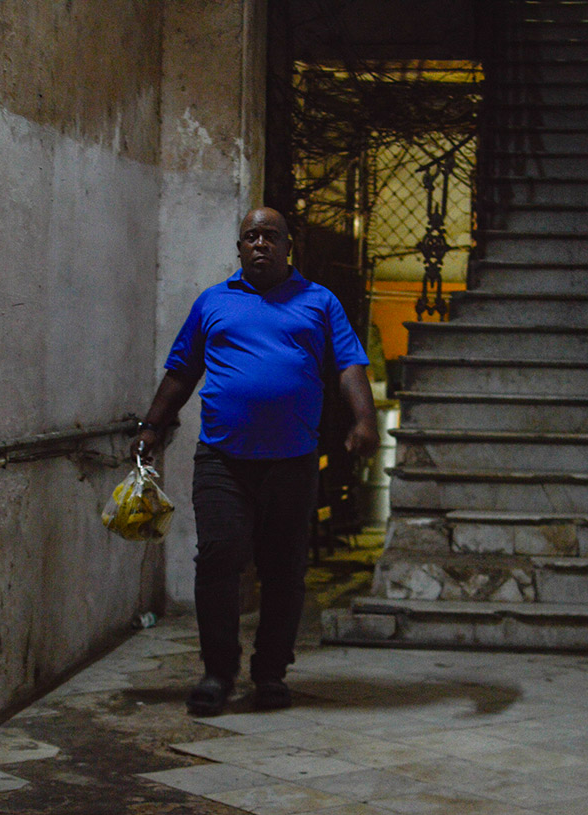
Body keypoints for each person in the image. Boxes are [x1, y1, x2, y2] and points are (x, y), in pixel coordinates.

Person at [135, 206, 380, 716]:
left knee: (284, 569)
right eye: (251, 237)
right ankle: (217, 672)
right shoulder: (213, 303)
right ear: (240, 248)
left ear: (289, 246)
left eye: (271, 236)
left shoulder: (320, 302)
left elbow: (349, 363)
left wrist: (364, 419)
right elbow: (182, 370)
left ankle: (270, 672)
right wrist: (152, 426)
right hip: (224, 460)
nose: (261, 244)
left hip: (291, 461)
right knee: (220, 559)